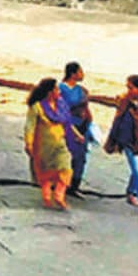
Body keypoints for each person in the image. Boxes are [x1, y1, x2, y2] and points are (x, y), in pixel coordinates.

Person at [25, 77, 84, 210]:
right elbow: (30, 126)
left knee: (66, 167)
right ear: (49, 92)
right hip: (42, 145)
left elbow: (67, 122)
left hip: (60, 143)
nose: (59, 92)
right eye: (56, 89)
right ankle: (46, 197)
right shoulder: (37, 107)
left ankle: (59, 195)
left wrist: (77, 135)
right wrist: (28, 143)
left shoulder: (61, 105)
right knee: (45, 172)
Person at [104, 74, 138, 218]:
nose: (128, 90)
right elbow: (116, 116)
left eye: (130, 87)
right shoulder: (125, 101)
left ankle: (131, 192)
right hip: (129, 142)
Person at [58, 62, 96, 196]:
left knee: (81, 156)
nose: (82, 74)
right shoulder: (60, 89)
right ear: (73, 74)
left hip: (82, 125)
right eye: (80, 72)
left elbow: (86, 108)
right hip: (68, 125)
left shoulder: (82, 90)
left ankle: (74, 185)